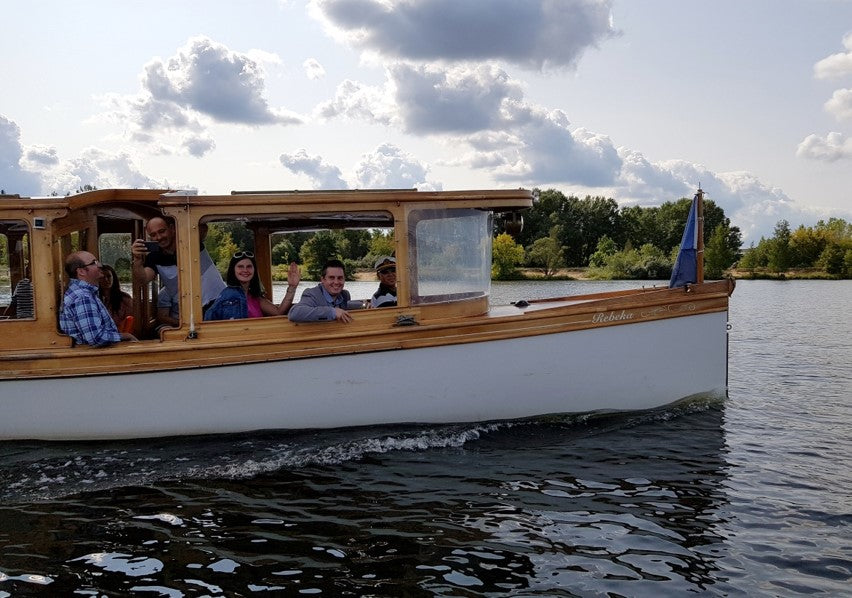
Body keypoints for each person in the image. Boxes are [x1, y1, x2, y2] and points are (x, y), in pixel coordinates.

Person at [131, 217, 225, 310]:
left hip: (219, 302)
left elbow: (203, 227)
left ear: (172, 229)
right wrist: (137, 259)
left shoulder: (191, 241)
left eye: (162, 231)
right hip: (191, 312)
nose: (159, 237)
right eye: (153, 234)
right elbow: (143, 279)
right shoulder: (153, 257)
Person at [59, 251, 137, 346]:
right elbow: (95, 337)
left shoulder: (84, 293)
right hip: (94, 358)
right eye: (94, 262)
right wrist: (125, 336)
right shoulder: (83, 297)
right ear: (81, 272)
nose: (100, 265)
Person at [204, 252, 300, 321]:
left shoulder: (255, 297)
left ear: (254, 270)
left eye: (249, 266)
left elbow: (279, 312)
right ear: (233, 271)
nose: (245, 270)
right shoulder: (227, 295)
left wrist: (292, 287)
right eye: (240, 266)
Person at [288, 259, 361, 323]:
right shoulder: (312, 294)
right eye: (331, 278)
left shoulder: (345, 294)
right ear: (322, 280)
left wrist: (363, 305)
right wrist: (332, 312)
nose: (336, 282)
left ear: (344, 279)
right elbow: (295, 313)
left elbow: (345, 306)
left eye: (340, 278)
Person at [98, 263, 133, 328]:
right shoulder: (94, 298)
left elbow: (130, 320)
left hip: (121, 333)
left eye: (109, 276)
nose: (106, 279)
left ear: (113, 277)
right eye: (102, 277)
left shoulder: (125, 298)